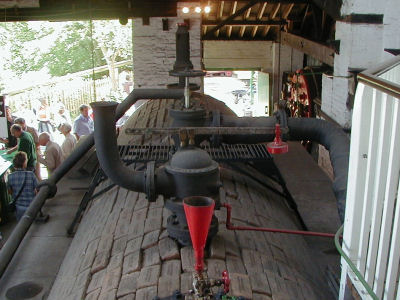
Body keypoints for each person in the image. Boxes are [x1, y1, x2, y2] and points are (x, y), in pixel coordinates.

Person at [7, 151, 38, 220]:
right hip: (32, 206)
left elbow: (10, 192)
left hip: (19, 208)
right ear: (24, 163)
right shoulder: (31, 174)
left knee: (21, 226)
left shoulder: (10, 177)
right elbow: (38, 189)